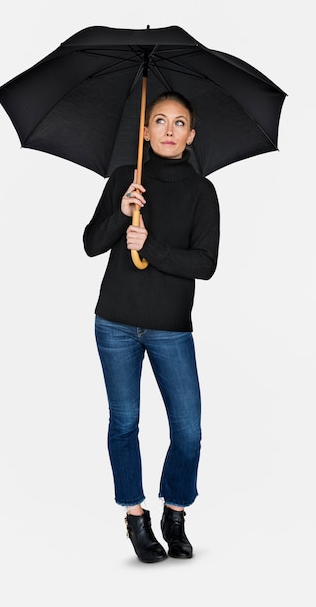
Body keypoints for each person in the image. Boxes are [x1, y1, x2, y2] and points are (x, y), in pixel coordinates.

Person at [83, 91, 220, 563]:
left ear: (191, 135)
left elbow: (205, 264)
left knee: (189, 429)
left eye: (179, 122)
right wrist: (122, 214)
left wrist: (152, 246)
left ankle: (175, 512)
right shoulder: (127, 179)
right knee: (125, 423)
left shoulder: (203, 192)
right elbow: (90, 244)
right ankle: (135, 516)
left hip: (170, 327)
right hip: (115, 322)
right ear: (144, 130)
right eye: (158, 120)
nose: (167, 129)